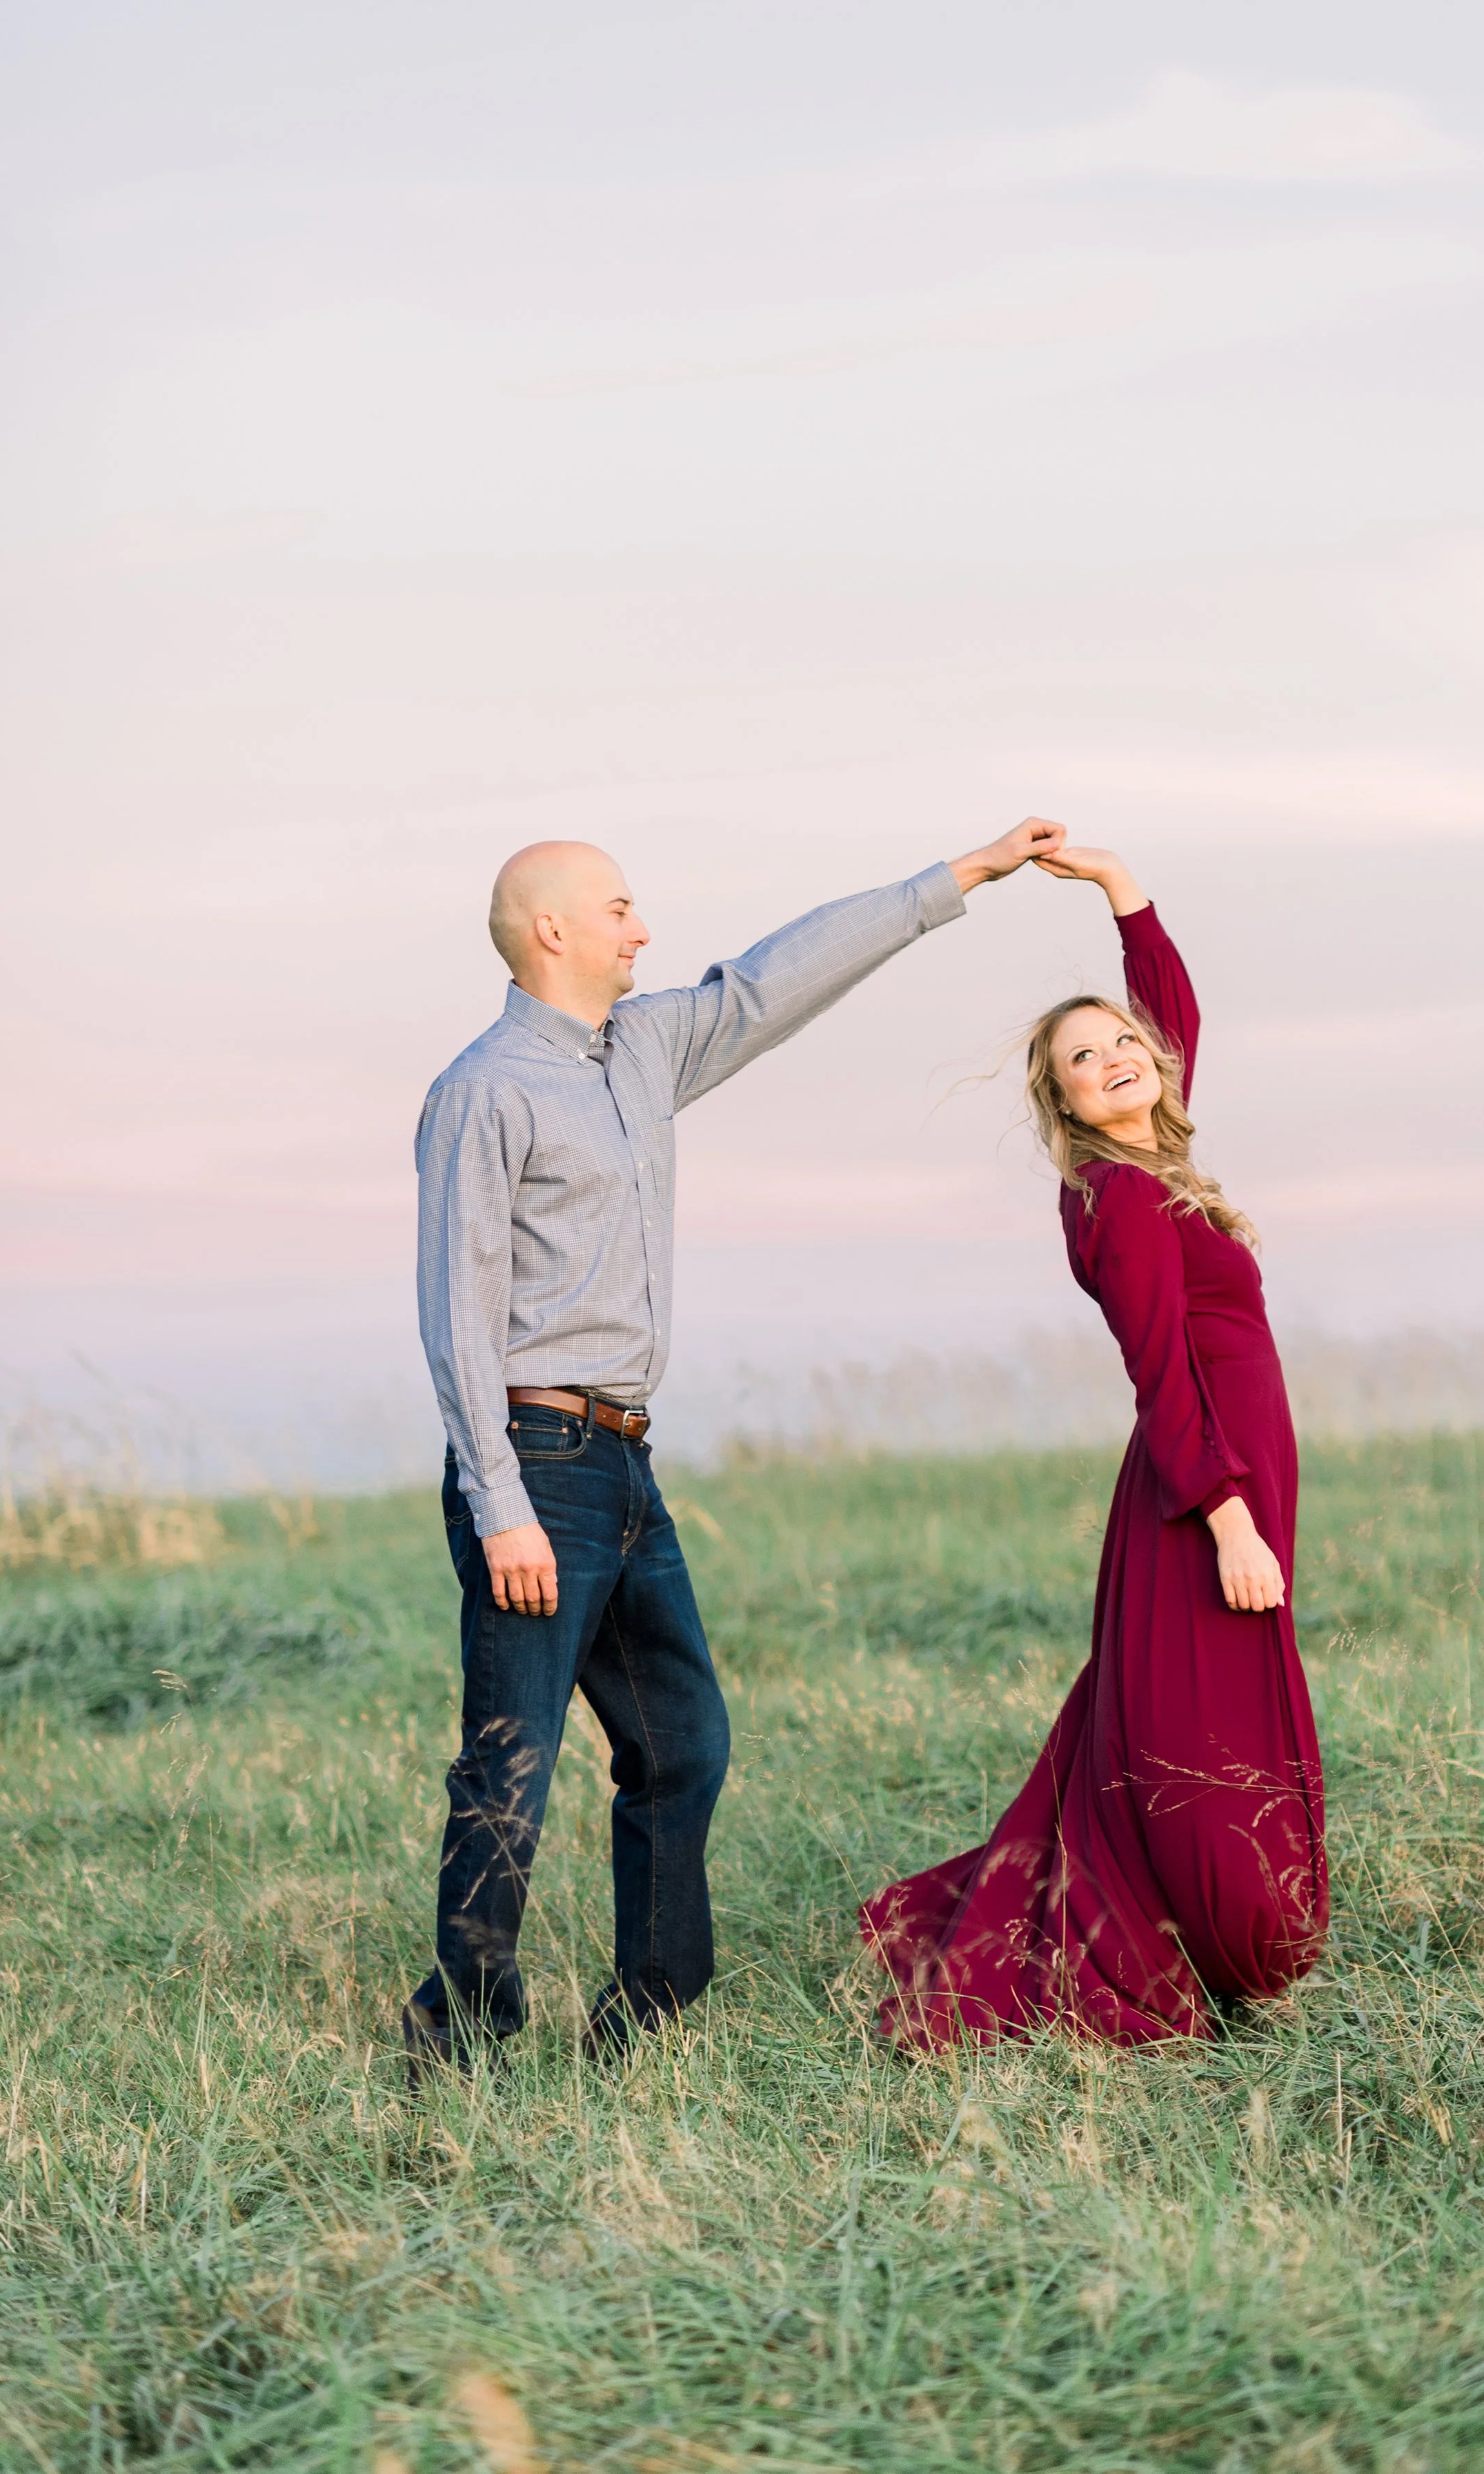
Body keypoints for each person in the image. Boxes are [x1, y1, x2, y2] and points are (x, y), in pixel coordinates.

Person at [404, 816, 1067, 2079]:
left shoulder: (643, 1050)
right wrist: (498, 1502)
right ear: (553, 929)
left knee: (684, 1741)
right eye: (618, 909)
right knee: (513, 1758)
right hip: (536, 1460)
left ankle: (648, 2007)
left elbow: (772, 983)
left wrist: (953, 881)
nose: (640, 928)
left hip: (627, 1463)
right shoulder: (486, 1088)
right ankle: (464, 2028)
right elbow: (457, 1304)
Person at [861, 845, 1327, 2046]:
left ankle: (1199, 1928)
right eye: (1083, 1058)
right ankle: (1193, 1937)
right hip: (1201, 1492)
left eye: (1122, 1042)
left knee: (1165, 1722)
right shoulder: (1119, 1195)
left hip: (1239, 1479)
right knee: (1187, 1732)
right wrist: (1227, 1518)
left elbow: (1168, 1015)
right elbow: (1160, 1377)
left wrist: (1119, 884)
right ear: (1060, 1101)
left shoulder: (1155, 1156)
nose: (1115, 1056)